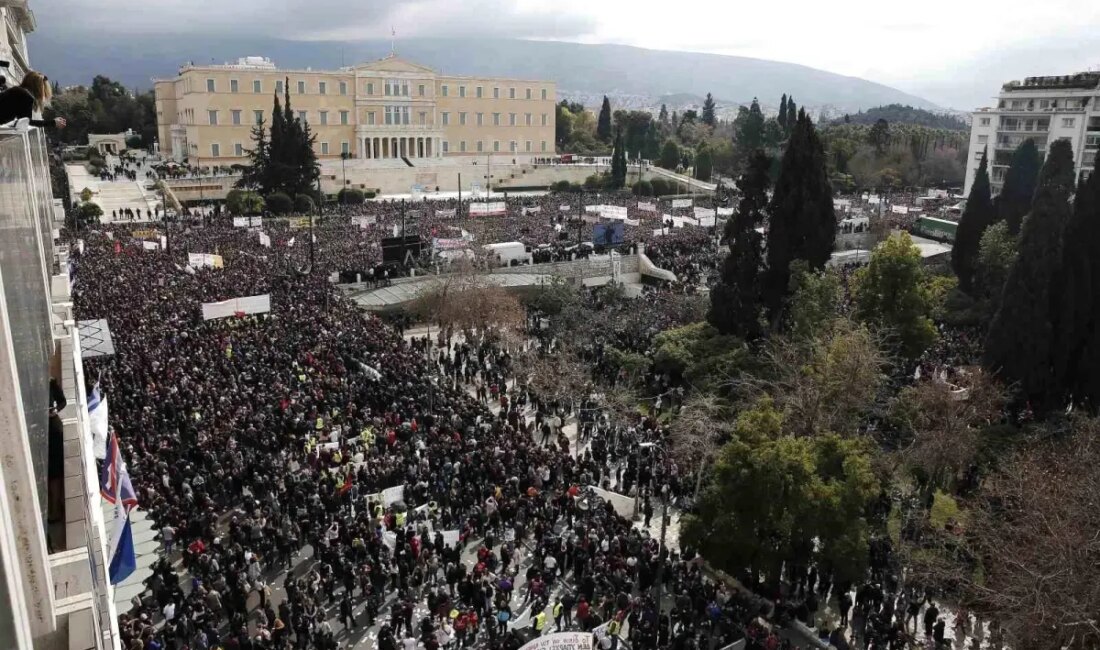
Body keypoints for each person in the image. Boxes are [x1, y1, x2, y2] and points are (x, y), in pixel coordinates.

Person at [0, 71, 66, 128]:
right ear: (39, 88)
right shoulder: (26, 96)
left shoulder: (16, 91)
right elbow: (27, 122)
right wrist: (53, 122)